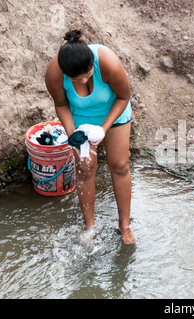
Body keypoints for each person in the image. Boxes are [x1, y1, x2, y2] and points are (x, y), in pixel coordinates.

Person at [45, 29, 136, 245]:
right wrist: (73, 137)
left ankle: (125, 225)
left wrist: (103, 129)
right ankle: (89, 226)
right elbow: (61, 104)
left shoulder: (107, 61)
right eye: (78, 79)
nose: (85, 80)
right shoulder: (54, 73)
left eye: (88, 73)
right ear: (67, 75)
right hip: (80, 118)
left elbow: (124, 96)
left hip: (114, 113)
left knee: (120, 165)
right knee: (85, 168)